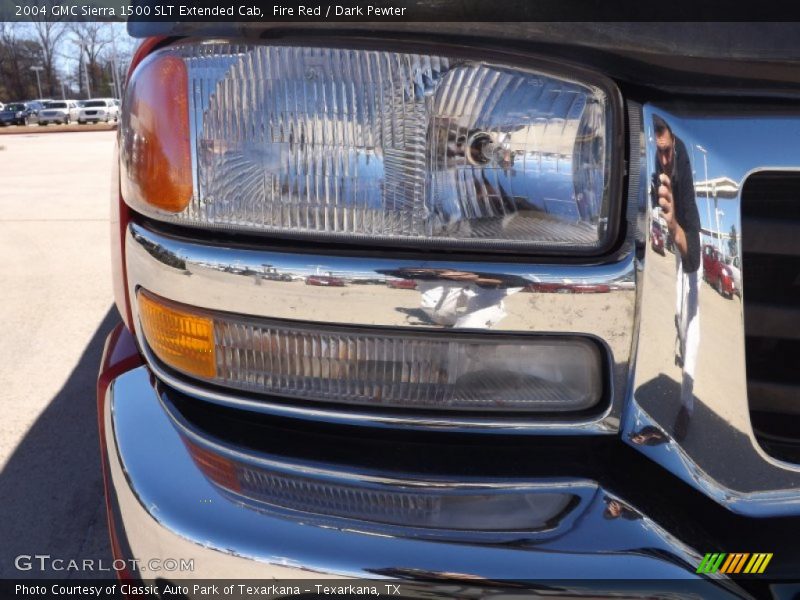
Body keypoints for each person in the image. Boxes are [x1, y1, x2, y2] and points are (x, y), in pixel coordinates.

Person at [653, 116, 702, 440]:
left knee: (691, 322)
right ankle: (680, 343)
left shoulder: (685, 188)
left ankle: (687, 405)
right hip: (674, 258)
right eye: (660, 153)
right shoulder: (658, 177)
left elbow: (691, 251)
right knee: (676, 311)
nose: (665, 159)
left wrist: (673, 227)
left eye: (669, 151)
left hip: (692, 258)